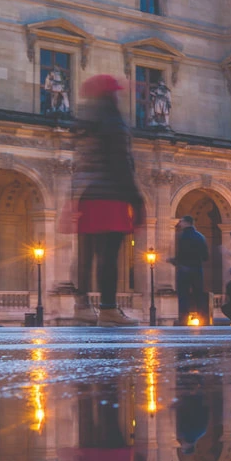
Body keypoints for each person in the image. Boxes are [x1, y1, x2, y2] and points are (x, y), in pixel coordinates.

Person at [71, 75, 145, 326]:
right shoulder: (114, 122)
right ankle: (109, 309)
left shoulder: (85, 123)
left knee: (86, 254)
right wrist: (136, 200)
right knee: (109, 257)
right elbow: (121, 163)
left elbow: (80, 163)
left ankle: (81, 307)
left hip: (86, 195)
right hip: (111, 194)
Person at [169, 215, 210, 325]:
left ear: (187, 222)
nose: (179, 224)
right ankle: (203, 319)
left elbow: (182, 253)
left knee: (183, 295)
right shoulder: (201, 237)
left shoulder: (183, 236)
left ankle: (184, 320)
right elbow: (206, 256)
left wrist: (174, 261)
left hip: (184, 269)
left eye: (181, 221)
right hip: (197, 269)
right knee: (198, 295)